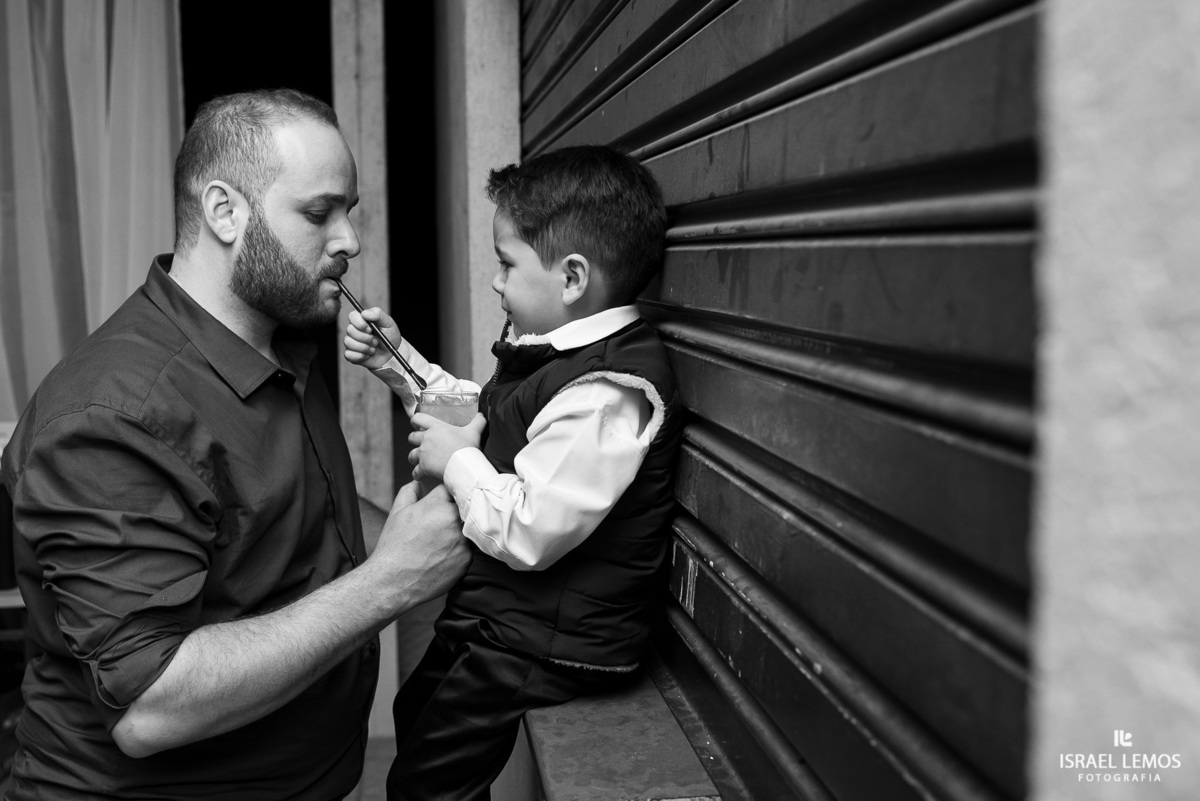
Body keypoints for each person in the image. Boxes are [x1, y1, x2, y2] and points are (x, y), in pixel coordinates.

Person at [0, 89, 469, 800]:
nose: (350, 240)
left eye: (350, 211)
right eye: (319, 213)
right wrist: (394, 578)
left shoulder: (278, 340)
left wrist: (457, 525)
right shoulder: (113, 414)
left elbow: (287, 519)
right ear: (225, 211)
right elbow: (149, 706)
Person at [343, 145, 683, 800]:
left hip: (549, 641)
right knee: (416, 711)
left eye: (506, 263)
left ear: (573, 278)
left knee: (427, 782)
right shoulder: (561, 356)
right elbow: (487, 415)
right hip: (507, 621)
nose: (496, 282)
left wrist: (456, 460)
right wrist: (396, 359)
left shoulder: (607, 392)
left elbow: (530, 529)